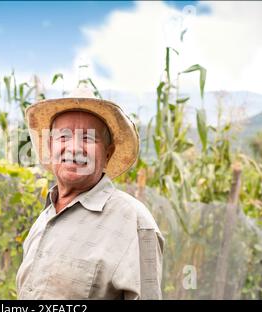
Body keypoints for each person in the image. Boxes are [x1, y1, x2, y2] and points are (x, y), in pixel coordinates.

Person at [16, 87, 164, 300]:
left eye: (88, 138)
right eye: (63, 136)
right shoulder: (45, 217)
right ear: (50, 146)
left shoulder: (134, 222)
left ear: (107, 153)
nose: (74, 148)